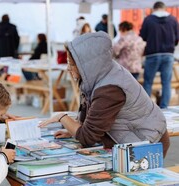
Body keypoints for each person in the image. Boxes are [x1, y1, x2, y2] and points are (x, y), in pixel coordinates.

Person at [39, 31, 170, 158]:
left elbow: (88, 137)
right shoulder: (101, 72)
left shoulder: (109, 89)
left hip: (146, 143)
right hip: (128, 140)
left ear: (86, 65)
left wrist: (63, 117)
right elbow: (92, 120)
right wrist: (73, 130)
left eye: (71, 64)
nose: (68, 68)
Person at [140, 1, 179, 109]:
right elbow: (177, 39)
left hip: (152, 54)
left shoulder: (148, 19)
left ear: (154, 9)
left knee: (148, 82)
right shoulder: (173, 19)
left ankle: (147, 108)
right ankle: (164, 107)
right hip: (168, 54)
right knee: (166, 82)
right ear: (164, 8)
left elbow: (143, 36)